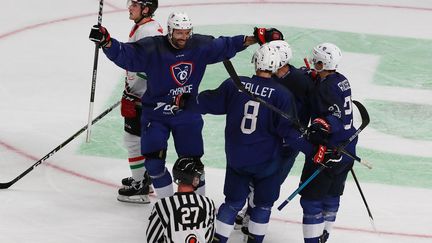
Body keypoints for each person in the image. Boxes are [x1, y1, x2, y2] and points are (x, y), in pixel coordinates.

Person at [89, 12, 283, 199]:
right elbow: (126, 55)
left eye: (187, 32)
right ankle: (166, 207)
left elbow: (227, 44)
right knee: (153, 165)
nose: (184, 37)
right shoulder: (153, 48)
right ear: (169, 31)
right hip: (156, 114)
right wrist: (107, 42)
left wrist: (256, 38)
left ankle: (199, 205)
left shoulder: (199, 45)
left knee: (194, 166)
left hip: (187, 113)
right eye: (179, 33)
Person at [173, 44, 300, 243]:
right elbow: (289, 132)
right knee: (263, 205)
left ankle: (218, 240)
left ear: (256, 61)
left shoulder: (235, 84)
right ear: (276, 66)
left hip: (237, 158)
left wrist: (185, 101)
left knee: (232, 203)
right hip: (267, 162)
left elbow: (209, 102)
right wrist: (313, 147)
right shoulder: (282, 94)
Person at [235, 40, 315, 233]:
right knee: (256, 177)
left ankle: (253, 215)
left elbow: (312, 103)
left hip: (289, 140)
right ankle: (251, 211)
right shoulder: (278, 76)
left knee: (270, 182)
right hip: (270, 136)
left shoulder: (299, 80)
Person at [299, 43, 358, 243]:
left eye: (316, 61)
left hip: (330, 151)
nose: (313, 63)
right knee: (332, 195)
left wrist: (320, 125)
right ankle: (324, 235)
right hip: (347, 149)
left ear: (323, 63)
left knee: (311, 201)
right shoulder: (341, 80)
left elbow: (335, 118)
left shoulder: (326, 88)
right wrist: (314, 75)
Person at [117, 0, 163, 204]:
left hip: (143, 98)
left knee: (133, 141)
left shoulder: (148, 32)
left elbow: (154, 67)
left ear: (146, 8)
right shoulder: (143, 27)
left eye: (134, 4)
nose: (129, 7)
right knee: (136, 139)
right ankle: (143, 178)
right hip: (140, 95)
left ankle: (140, 187)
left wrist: (137, 93)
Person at [146, 158, 216, 242]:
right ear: (194, 179)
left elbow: (152, 239)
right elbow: (209, 238)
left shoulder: (162, 205)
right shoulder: (208, 204)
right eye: (198, 176)